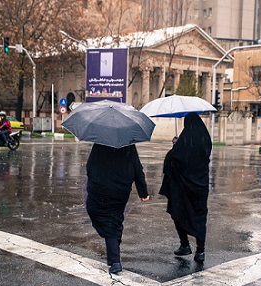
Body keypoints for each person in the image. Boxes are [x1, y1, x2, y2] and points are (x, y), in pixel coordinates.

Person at [86, 144, 150, 274]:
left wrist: (93, 182)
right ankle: (114, 242)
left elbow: (90, 166)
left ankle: (115, 259)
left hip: (101, 187)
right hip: (121, 189)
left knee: (105, 219)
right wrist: (143, 192)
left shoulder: (100, 143)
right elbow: (138, 168)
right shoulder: (128, 145)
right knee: (115, 217)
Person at [159, 113, 212, 263]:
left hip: (183, 188)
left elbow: (174, 159)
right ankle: (200, 251)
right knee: (200, 217)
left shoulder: (185, 140)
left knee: (178, 212)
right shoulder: (205, 139)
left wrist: (176, 145)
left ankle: (185, 244)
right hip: (201, 186)